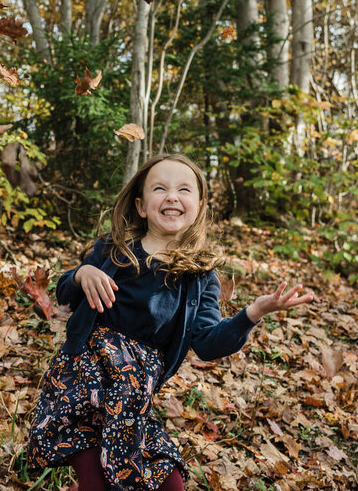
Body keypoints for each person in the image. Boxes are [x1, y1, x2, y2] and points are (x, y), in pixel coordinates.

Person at [27, 153, 314, 491]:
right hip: (84, 383)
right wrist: (81, 274)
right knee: (98, 481)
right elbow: (64, 295)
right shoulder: (113, 251)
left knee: (169, 481)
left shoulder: (200, 278)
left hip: (132, 399)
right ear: (141, 206)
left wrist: (253, 313)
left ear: (199, 206)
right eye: (160, 188)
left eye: (184, 189)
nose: (172, 196)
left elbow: (207, 343)